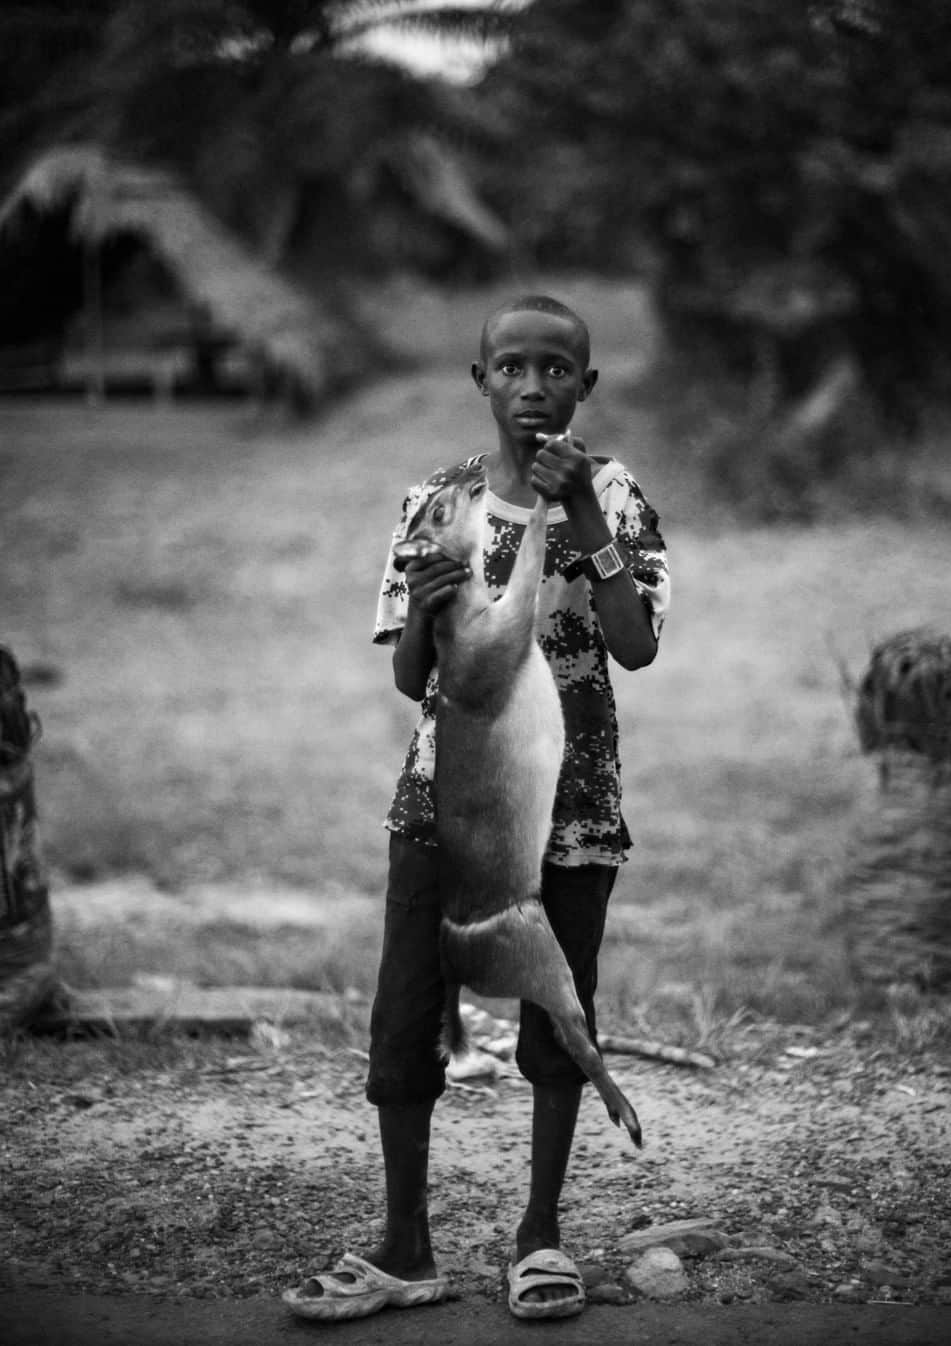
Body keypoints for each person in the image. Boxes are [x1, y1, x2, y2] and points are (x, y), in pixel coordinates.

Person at [284, 294, 670, 1322]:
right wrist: (424, 601)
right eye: (513, 367)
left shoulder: (618, 494)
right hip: (442, 806)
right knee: (407, 1015)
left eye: (556, 368)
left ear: (586, 385)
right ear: (481, 379)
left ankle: (538, 1236)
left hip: (570, 805)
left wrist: (582, 510)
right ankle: (405, 1242)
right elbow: (415, 678)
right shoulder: (435, 502)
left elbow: (633, 642)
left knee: (557, 1011)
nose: (534, 385)